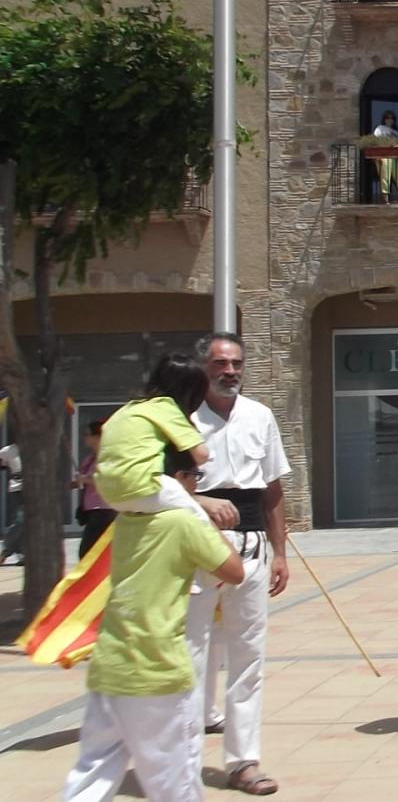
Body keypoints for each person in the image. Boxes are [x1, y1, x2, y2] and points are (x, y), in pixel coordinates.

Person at [63, 449, 246, 802]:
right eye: (194, 477)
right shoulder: (182, 523)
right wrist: (198, 512)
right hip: (157, 666)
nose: (197, 485)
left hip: (111, 664)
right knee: (175, 779)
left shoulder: (125, 521)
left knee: (94, 772)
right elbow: (233, 570)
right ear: (178, 480)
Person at [182, 333, 292, 796]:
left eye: (236, 364)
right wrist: (201, 502)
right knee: (191, 653)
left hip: (251, 545)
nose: (229, 371)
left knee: (248, 655)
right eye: (220, 363)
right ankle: (181, 762)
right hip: (195, 543)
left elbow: (272, 487)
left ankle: (243, 761)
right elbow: (163, 483)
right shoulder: (182, 416)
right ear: (202, 368)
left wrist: (280, 552)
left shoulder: (259, 415)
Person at [93, 354, 218, 522]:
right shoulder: (165, 406)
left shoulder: (127, 409)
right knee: (199, 523)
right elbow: (202, 455)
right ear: (190, 393)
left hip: (110, 494)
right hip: (143, 485)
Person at [74, 420, 113, 558]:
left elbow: (104, 480)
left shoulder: (107, 458)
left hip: (104, 509)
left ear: (97, 437)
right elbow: (84, 481)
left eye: (87, 434)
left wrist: (85, 479)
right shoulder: (89, 459)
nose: (84, 437)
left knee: (87, 551)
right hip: (92, 510)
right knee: (90, 551)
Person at [373, 109, 398, 202]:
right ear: (384, 119)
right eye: (387, 118)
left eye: (391, 118)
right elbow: (376, 140)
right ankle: (385, 197)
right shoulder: (380, 128)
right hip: (383, 155)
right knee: (385, 175)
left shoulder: (396, 132)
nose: (389, 120)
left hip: (393, 156)